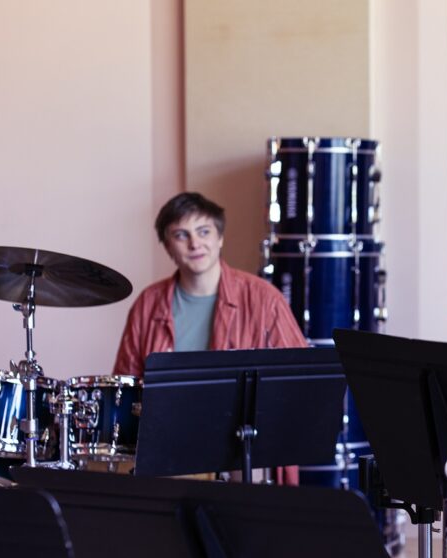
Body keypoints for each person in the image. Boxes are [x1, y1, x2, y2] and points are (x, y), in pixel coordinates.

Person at [114, 192, 307, 481]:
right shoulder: (147, 303)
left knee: (246, 472)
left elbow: (301, 383)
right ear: (167, 247)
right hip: (169, 444)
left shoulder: (264, 299)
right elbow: (123, 390)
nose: (195, 243)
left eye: (204, 231)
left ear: (220, 238)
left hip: (242, 447)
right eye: (181, 235)